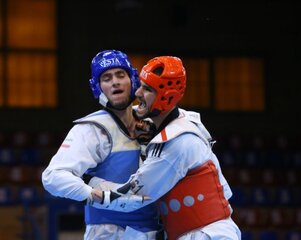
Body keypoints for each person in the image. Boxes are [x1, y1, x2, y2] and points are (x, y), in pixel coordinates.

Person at [90, 56, 241, 240]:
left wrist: (86, 184)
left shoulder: (175, 143)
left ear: (166, 96)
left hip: (207, 235)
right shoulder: (183, 120)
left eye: (146, 89)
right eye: (140, 85)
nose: (137, 93)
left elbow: (132, 197)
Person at [42, 50, 160, 240]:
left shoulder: (154, 120)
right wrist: (96, 195)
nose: (115, 82)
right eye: (106, 78)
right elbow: (52, 177)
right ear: (98, 88)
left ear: (133, 80)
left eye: (121, 75)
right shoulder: (92, 129)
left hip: (154, 230)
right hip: (109, 233)